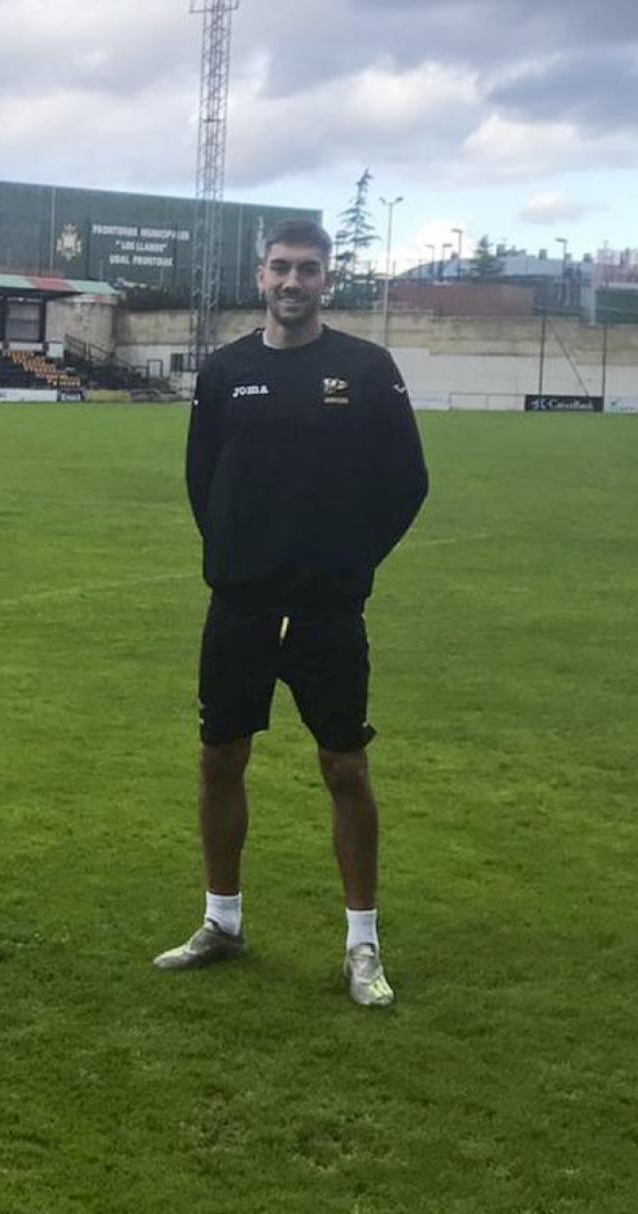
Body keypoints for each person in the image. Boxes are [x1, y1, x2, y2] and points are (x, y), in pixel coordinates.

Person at [155, 219, 429, 1006]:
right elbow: (202, 480)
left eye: (308, 270)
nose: (292, 283)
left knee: (345, 766)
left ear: (327, 281)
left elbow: (406, 484)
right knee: (219, 759)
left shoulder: (367, 369)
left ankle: (362, 944)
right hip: (239, 606)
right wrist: (241, 556)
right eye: (280, 269)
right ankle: (221, 921)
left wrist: (349, 562)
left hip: (328, 612)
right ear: (261, 276)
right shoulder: (224, 371)